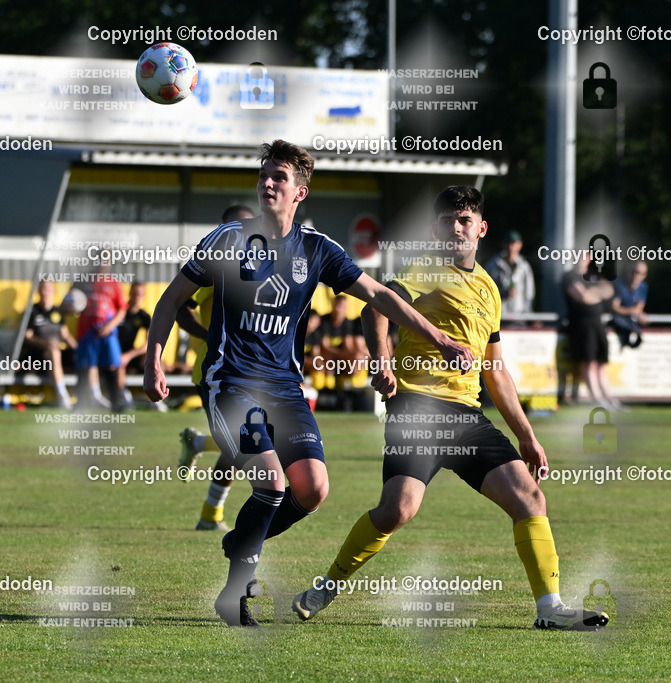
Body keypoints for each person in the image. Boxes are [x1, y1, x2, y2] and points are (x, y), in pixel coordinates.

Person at [143, 140, 473, 627]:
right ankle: (235, 595)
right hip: (231, 385)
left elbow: (379, 294)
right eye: (264, 175)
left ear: (300, 192)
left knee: (313, 489)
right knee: (271, 480)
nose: (268, 183)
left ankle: (242, 542)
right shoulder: (228, 239)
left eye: (279, 177)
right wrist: (154, 362)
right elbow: (171, 300)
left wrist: (438, 337)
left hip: (284, 390)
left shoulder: (317, 250)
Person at [291, 186, 608, 631]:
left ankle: (550, 609)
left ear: (481, 229)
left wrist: (526, 435)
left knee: (530, 498)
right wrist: (382, 360)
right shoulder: (424, 270)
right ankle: (330, 583)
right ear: (435, 229)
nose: (456, 229)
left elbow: (495, 371)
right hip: (418, 409)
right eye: (447, 221)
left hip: (466, 416)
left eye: (465, 220)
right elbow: (375, 308)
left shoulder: (490, 289)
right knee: (397, 510)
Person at [177, 204, 257, 532]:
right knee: (243, 442)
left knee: (247, 441)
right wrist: (208, 335)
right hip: (216, 372)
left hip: (256, 370)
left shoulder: (266, 267)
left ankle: (210, 514)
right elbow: (181, 307)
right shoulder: (214, 267)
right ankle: (211, 514)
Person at [562, 255, 621, 410]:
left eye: (585, 256)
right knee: (589, 362)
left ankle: (608, 398)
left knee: (601, 362)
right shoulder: (569, 276)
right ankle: (596, 398)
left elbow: (609, 290)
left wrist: (592, 291)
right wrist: (597, 293)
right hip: (582, 325)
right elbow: (584, 297)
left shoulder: (594, 275)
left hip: (599, 324)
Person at [75, 262, 127, 410]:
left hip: (107, 333)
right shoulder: (82, 280)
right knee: (84, 367)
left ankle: (116, 402)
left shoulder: (113, 283)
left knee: (111, 367)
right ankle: (80, 404)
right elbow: (69, 301)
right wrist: (70, 306)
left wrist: (110, 326)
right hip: (87, 333)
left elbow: (122, 309)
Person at [23, 280, 77, 409]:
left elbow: (65, 335)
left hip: (56, 353)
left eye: (47, 289)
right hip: (37, 355)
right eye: (42, 289)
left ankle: (92, 395)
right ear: (38, 291)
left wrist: (79, 349)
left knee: (84, 355)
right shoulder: (33, 311)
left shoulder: (58, 312)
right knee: (53, 350)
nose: (44, 292)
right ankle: (62, 395)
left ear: (54, 292)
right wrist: (45, 342)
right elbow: (28, 337)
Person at [310, 293, 369, 409]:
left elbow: (347, 346)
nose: (341, 309)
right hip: (326, 357)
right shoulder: (325, 321)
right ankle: (327, 396)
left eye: (343, 306)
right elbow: (325, 347)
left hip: (337, 358)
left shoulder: (347, 323)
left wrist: (352, 357)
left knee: (357, 360)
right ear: (333, 305)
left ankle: (350, 394)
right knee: (328, 361)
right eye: (339, 306)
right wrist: (345, 355)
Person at [116, 281, 166, 411]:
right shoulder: (120, 312)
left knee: (157, 361)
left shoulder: (144, 316)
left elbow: (149, 343)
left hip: (130, 353)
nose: (137, 297)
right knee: (118, 361)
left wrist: (128, 355)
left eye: (140, 294)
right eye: (135, 293)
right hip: (115, 353)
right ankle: (125, 399)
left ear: (143, 296)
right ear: (129, 294)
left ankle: (157, 398)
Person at [485, 230, 535, 321]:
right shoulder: (492, 265)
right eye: (508, 244)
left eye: (514, 244)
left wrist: (528, 315)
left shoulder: (524, 266)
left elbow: (529, 292)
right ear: (503, 245)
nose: (511, 247)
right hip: (498, 318)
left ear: (520, 245)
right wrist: (503, 294)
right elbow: (485, 291)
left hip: (520, 317)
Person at [610, 260, 649, 348]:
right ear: (628, 271)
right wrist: (632, 311)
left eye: (642, 273)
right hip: (617, 319)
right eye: (634, 272)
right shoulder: (619, 285)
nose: (637, 276)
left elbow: (639, 307)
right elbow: (614, 307)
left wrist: (638, 313)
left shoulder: (643, 287)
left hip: (630, 319)